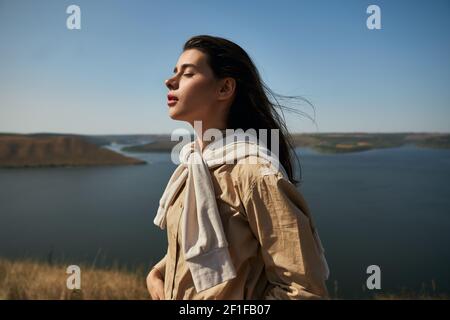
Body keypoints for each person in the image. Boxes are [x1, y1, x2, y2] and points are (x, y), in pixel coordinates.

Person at [146, 35, 329, 300]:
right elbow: (203, 247)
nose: (169, 81)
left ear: (224, 89)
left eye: (187, 74)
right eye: (174, 72)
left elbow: (304, 291)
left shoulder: (255, 173)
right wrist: (156, 275)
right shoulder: (194, 166)